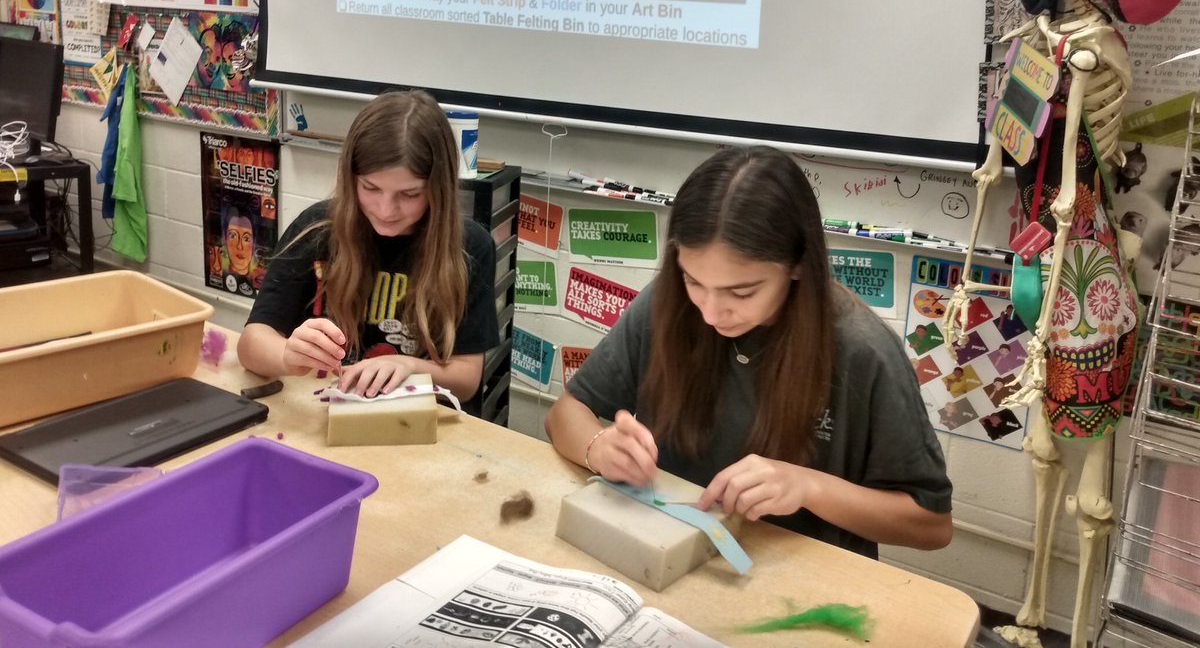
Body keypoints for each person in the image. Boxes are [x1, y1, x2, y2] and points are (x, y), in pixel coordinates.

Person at [544, 146, 953, 558]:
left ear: (797, 265)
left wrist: (808, 486)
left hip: (797, 580)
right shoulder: (667, 304)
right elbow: (565, 414)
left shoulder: (862, 351)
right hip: (667, 552)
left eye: (741, 292)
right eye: (693, 280)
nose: (709, 311)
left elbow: (931, 525)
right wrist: (598, 446)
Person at [237, 91, 498, 402]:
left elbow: (467, 379)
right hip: (326, 411)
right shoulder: (317, 229)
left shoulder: (469, 247)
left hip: (417, 424)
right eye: (371, 188)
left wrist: (408, 365)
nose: (386, 210)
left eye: (410, 194)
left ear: (438, 189)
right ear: (350, 178)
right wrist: (286, 354)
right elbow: (251, 344)